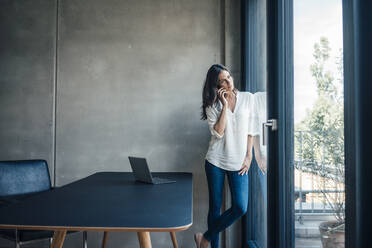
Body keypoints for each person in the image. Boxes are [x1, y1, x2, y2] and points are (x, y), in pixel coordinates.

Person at [194, 64, 258, 248]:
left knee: (240, 206)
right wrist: (223, 106)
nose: (229, 81)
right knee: (215, 207)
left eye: (229, 76)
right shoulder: (212, 105)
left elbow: (251, 130)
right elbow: (219, 133)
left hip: (239, 162)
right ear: (216, 84)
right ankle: (212, 245)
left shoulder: (246, 98)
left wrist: (249, 156)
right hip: (216, 161)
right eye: (224, 79)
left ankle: (204, 238)